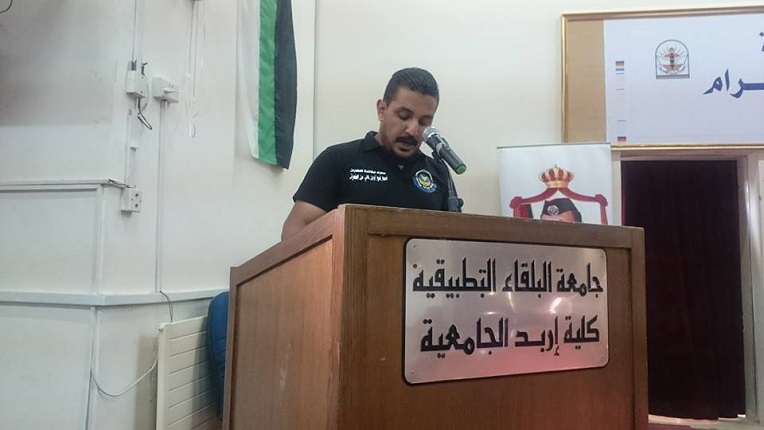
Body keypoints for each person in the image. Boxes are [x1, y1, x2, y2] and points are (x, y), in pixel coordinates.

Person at [281, 67, 452, 239]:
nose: (413, 130)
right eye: (403, 116)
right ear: (382, 110)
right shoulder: (338, 159)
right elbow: (295, 230)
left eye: (424, 122)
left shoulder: (438, 172)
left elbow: (452, 240)